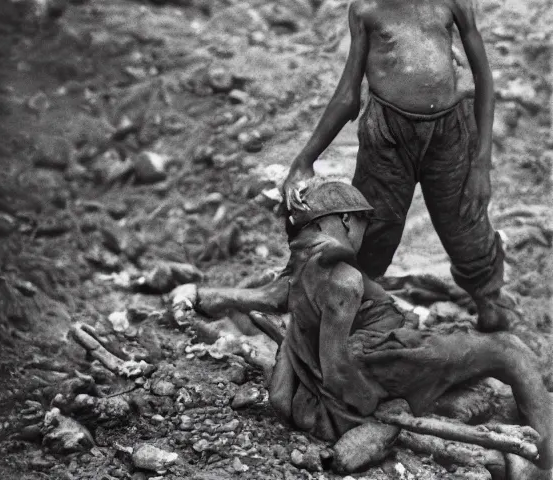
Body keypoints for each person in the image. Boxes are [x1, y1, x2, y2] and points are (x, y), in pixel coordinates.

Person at [282, 0, 507, 331]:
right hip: (386, 138)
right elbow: (348, 95)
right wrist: (304, 159)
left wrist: (481, 164)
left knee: (466, 225)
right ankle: (358, 311)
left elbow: (485, 82)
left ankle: (490, 303)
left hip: (451, 134)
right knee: (374, 231)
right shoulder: (365, 7)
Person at [178, 181, 552, 469]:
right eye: (361, 222)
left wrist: (201, 294)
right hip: (378, 362)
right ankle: (549, 456)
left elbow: (264, 298)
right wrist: (377, 408)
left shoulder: (301, 267)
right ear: (344, 220)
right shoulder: (342, 278)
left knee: (455, 343)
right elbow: (338, 368)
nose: (362, 232)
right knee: (509, 349)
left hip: (365, 360)